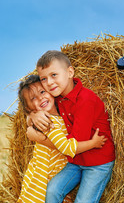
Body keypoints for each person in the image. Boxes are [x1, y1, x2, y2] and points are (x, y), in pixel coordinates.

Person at [29, 50, 116, 203]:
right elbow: (37, 108)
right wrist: (32, 116)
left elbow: (72, 144)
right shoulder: (58, 97)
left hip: (97, 162)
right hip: (76, 162)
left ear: (70, 72)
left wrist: (40, 139)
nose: (49, 83)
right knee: (52, 191)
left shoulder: (85, 100)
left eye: (54, 75)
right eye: (43, 78)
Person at [17, 74, 107, 203]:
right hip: (43, 178)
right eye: (33, 99)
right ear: (28, 107)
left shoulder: (62, 111)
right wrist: (93, 143)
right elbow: (66, 148)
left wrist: (32, 115)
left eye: (43, 92)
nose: (41, 98)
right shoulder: (47, 122)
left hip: (59, 172)